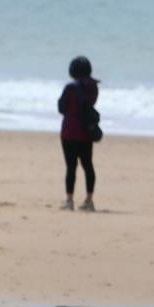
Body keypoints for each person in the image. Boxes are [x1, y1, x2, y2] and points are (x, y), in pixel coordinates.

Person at [58, 56, 99, 211]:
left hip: (69, 132)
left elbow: (62, 108)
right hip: (86, 131)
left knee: (71, 167)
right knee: (88, 165)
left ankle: (69, 201)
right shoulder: (93, 87)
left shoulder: (70, 87)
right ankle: (89, 200)